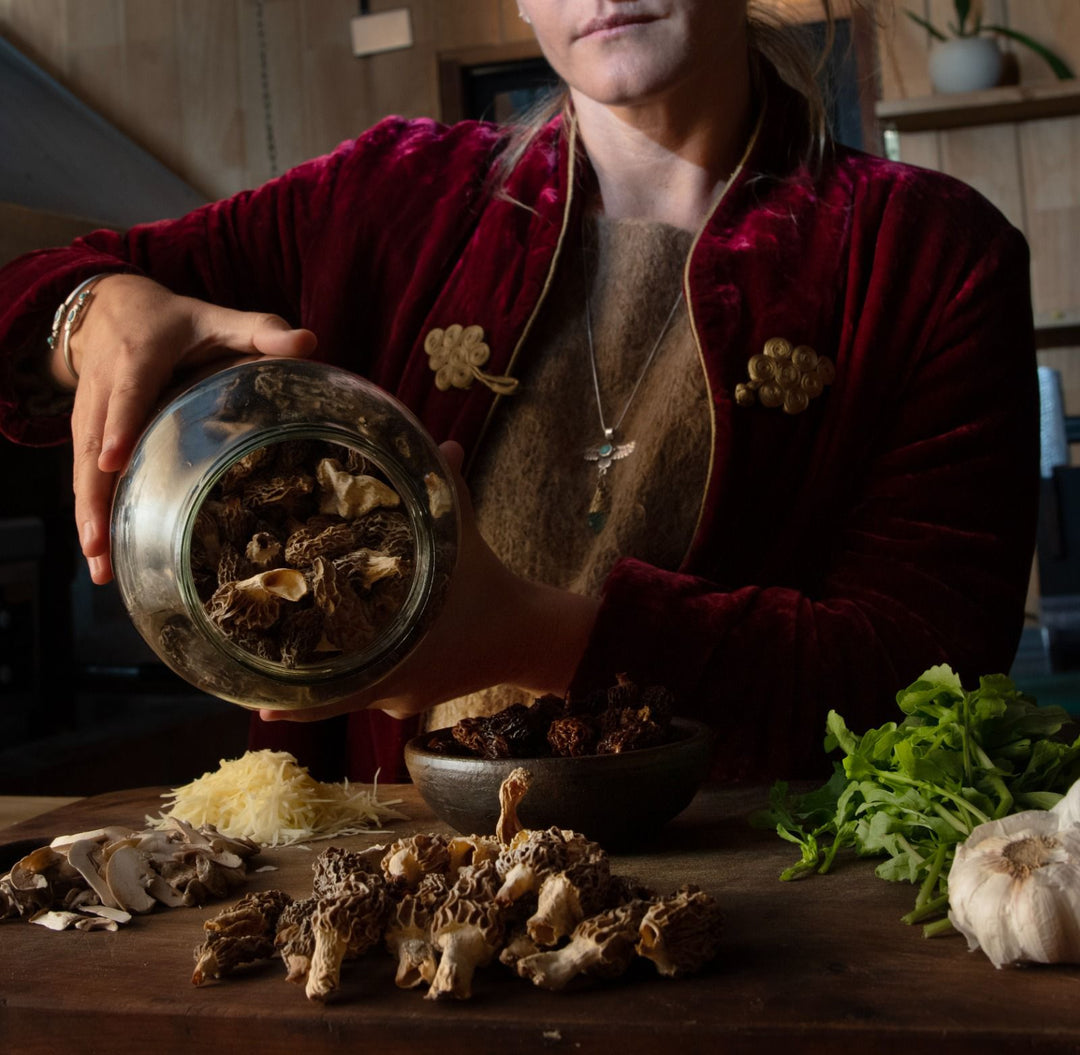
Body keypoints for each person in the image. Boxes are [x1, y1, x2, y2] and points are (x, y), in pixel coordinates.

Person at [0, 0, 1039, 784]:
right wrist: (88, 311)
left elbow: (922, 679)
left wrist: (543, 638)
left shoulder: (930, 254)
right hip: (401, 931)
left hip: (768, 938)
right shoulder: (387, 199)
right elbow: (28, 295)